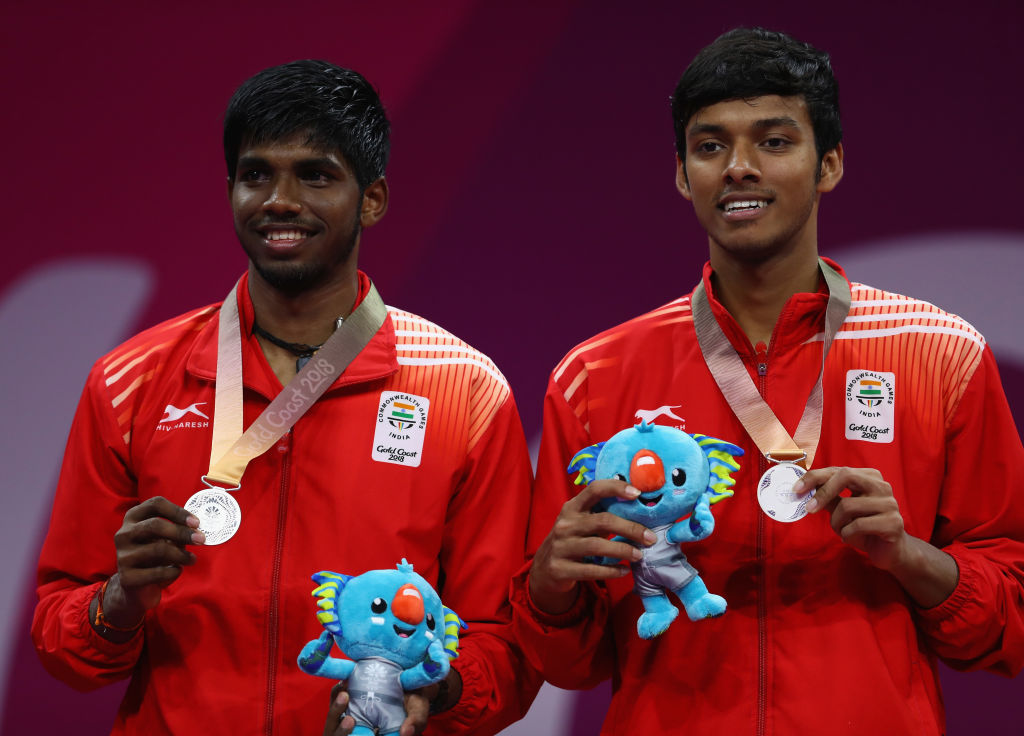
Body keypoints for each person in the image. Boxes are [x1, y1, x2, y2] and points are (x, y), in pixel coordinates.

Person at [512, 27, 1024, 734]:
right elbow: (572, 663)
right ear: (682, 174)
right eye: (710, 145)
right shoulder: (595, 375)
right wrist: (551, 587)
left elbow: (1006, 627)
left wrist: (908, 557)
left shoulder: (939, 355)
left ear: (831, 163)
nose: (738, 168)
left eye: (774, 142)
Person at [32, 60, 537, 736]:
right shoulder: (133, 379)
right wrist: (119, 601)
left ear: (373, 198)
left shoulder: (463, 391)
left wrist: (427, 686)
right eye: (257, 174)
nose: (279, 201)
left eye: (316, 175)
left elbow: (504, 647)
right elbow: (62, 637)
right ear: (231, 189)